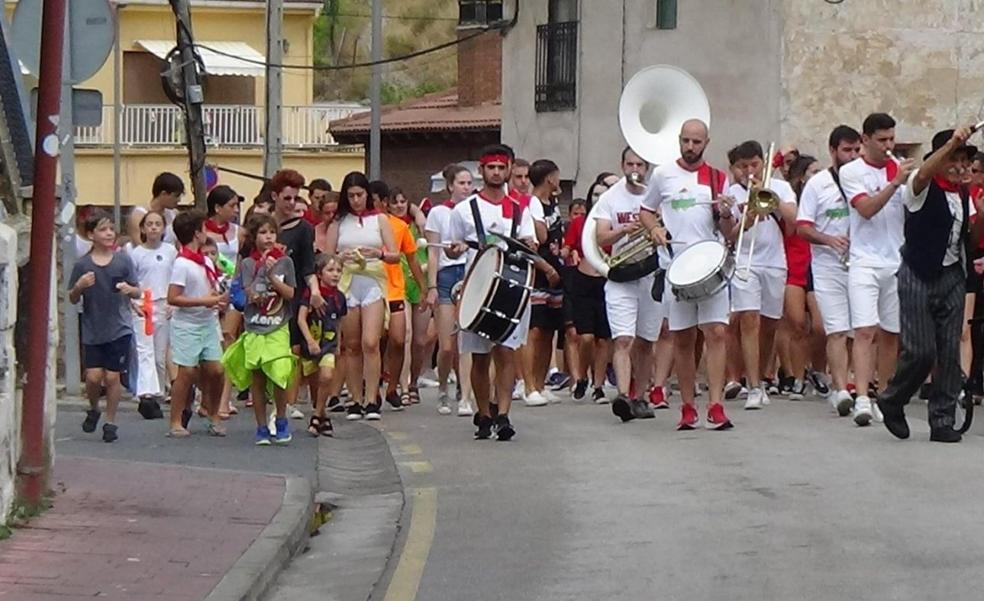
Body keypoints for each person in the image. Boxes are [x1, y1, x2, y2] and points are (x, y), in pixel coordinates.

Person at [877, 126, 984, 443]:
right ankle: (893, 399)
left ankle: (942, 419)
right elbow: (923, 174)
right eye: (955, 159)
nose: (961, 167)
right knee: (921, 351)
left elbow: (970, 238)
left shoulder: (963, 194)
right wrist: (952, 142)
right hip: (918, 273)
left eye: (966, 160)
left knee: (950, 350)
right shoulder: (919, 186)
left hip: (952, 274)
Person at [640, 119, 736, 430]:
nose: (690, 147)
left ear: (706, 143)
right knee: (682, 337)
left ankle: (717, 404)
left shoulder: (717, 178)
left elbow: (727, 230)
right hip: (676, 266)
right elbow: (646, 209)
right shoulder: (663, 174)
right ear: (679, 141)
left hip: (710, 264)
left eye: (696, 141)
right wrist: (654, 228)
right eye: (686, 141)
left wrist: (724, 212)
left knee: (717, 333)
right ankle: (687, 406)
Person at [446, 144, 536, 441]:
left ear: (508, 169)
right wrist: (455, 247)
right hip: (477, 287)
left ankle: (504, 414)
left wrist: (529, 246)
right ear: (481, 171)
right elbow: (454, 244)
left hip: (510, 287)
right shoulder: (463, 210)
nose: (496, 173)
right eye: (491, 168)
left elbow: (529, 243)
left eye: (501, 167)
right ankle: (483, 412)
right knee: (480, 356)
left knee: (506, 351)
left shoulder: (520, 207)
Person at [839, 113, 915, 426]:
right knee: (865, 330)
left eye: (891, 140)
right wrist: (896, 181)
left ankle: (885, 394)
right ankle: (862, 397)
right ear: (866, 139)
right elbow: (866, 210)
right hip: (864, 260)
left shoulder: (901, 169)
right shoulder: (851, 171)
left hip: (896, 260)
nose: (888, 146)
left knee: (891, 334)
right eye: (882, 140)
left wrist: (912, 181)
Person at [727, 141, 798, 410]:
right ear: (735, 168)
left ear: (763, 164)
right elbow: (730, 235)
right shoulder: (732, 192)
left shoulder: (780, 186)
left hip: (774, 261)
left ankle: (763, 376)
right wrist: (751, 214)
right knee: (749, 320)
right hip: (745, 260)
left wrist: (768, 196)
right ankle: (753, 385)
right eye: (743, 166)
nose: (749, 171)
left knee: (770, 325)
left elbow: (793, 219)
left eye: (754, 165)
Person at [796, 125, 862, 415]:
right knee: (835, 329)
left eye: (856, 149)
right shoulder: (818, 184)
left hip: (860, 263)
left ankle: (858, 387)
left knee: (860, 331)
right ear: (833, 151)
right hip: (827, 266)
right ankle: (840, 388)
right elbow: (803, 226)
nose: (852, 156)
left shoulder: (863, 179)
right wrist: (829, 239)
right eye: (846, 150)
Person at [323, 171, 399, 420]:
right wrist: (339, 259)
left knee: (371, 342)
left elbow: (394, 255)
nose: (356, 200)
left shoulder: (379, 220)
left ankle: (371, 398)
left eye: (360, 195)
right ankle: (355, 398)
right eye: (351, 195)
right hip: (346, 284)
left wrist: (377, 254)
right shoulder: (338, 223)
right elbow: (326, 256)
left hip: (373, 281)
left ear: (368, 195)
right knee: (351, 345)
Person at [593, 148, 662, 422]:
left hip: (649, 275)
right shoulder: (610, 198)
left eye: (640, 164)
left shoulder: (655, 195)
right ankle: (622, 395)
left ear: (646, 168)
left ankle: (641, 396)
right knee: (623, 339)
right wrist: (623, 230)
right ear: (622, 165)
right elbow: (600, 237)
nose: (635, 169)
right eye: (630, 163)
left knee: (646, 341)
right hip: (621, 276)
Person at [222, 214, 297, 445]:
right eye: (263, 233)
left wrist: (273, 276)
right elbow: (248, 295)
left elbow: (290, 294)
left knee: (279, 373)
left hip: (278, 326)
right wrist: (259, 274)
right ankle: (261, 426)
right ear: (254, 237)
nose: (268, 237)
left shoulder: (285, 261)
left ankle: (281, 419)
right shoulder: (247, 263)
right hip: (255, 325)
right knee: (258, 376)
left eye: (272, 233)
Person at [69, 211, 141, 442]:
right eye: (102, 229)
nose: (109, 233)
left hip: (119, 327)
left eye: (111, 229)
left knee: (112, 377)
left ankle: (111, 422)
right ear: (91, 234)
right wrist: (80, 286)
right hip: (93, 328)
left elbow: (137, 289)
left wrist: (131, 291)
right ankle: (93, 407)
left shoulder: (123, 260)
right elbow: (71, 297)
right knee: (92, 377)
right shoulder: (83, 264)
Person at [166, 210, 229, 438]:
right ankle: (175, 420)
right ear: (196, 234)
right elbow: (173, 297)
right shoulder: (182, 263)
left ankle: (213, 414)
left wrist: (218, 300)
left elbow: (211, 288)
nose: (207, 232)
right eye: (203, 229)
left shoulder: (205, 261)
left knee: (217, 369)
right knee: (187, 373)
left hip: (208, 322)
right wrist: (206, 300)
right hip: (187, 325)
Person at [371, 180, 427, 411]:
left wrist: (424, 287)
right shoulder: (361, 226)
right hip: (372, 289)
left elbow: (412, 258)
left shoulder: (399, 226)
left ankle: (394, 386)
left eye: (373, 200)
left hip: (395, 288)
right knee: (373, 342)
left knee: (399, 338)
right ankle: (372, 391)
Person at [268, 169, 320, 420]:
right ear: (275, 196)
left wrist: (316, 291)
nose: (290, 203)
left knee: (293, 349)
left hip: (293, 294)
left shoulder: (304, 229)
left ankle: (288, 401)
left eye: (294, 198)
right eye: (286, 198)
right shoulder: (263, 226)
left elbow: (308, 266)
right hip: (264, 297)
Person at [425, 164, 474, 415]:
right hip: (445, 276)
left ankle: (465, 395)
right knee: (447, 345)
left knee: (465, 338)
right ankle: (443, 386)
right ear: (450, 185)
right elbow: (432, 251)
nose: (466, 187)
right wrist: (431, 285)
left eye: (469, 183)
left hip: (469, 273)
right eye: (462, 183)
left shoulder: (474, 209)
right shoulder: (438, 213)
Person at [776, 154, 826, 399]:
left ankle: (817, 370)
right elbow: (792, 225)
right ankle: (797, 376)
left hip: (817, 266)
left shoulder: (824, 199)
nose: (819, 176)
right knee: (796, 323)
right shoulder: (791, 200)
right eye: (813, 172)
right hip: (793, 266)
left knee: (820, 325)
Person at [563, 191, 613, 403]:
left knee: (604, 339)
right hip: (583, 280)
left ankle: (599, 385)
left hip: (606, 279)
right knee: (586, 337)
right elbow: (568, 246)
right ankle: (582, 375)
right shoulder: (581, 223)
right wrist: (566, 252)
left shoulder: (614, 221)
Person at [525, 159, 565, 406]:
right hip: (539, 270)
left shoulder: (555, 204)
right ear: (549, 178)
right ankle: (528, 385)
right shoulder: (533, 204)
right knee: (535, 330)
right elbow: (540, 236)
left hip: (556, 270)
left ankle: (541, 384)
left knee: (550, 329)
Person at [127, 210, 177, 405]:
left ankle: (160, 388)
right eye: (150, 224)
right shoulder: (136, 253)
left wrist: (174, 302)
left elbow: (175, 278)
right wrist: (133, 302)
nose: (154, 227)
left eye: (158, 224)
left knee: (160, 353)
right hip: (143, 304)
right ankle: (146, 391)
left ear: (164, 228)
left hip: (165, 303)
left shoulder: (170, 251)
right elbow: (130, 280)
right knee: (144, 349)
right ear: (143, 228)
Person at [299, 253, 346, 437]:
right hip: (312, 344)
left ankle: (316, 416)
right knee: (315, 384)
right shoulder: (311, 294)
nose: (335, 274)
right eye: (330, 270)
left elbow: (339, 321)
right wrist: (309, 340)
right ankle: (323, 417)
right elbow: (301, 318)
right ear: (320, 274)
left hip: (329, 345)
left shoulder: (340, 298)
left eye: (339, 271)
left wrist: (339, 344)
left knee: (326, 377)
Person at [127, 172, 185, 246]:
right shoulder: (139, 215)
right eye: (176, 196)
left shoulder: (174, 214)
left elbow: (179, 244)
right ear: (163, 194)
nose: (179, 200)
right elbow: (138, 245)